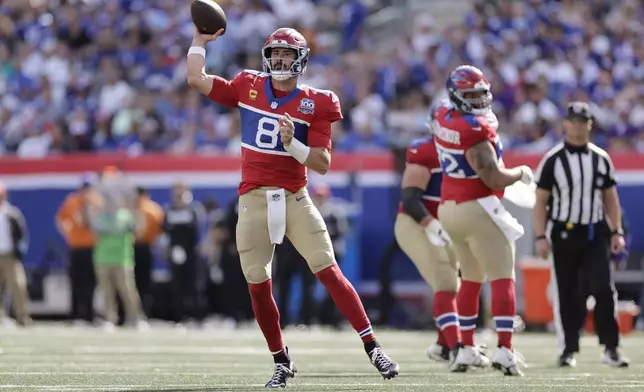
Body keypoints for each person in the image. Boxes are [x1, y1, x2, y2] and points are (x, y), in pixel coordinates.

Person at [186, 26, 399, 387]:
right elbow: (196, 78)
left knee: (328, 270)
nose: (281, 60)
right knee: (257, 283)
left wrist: (292, 144)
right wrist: (199, 40)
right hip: (252, 200)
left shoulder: (317, 101)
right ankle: (281, 360)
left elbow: (321, 163)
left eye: (287, 54)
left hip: (294, 197)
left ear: (300, 59)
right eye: (276, 54)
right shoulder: (247, 85)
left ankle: (372, 345)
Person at [433, 65, 533, 376]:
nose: (477, 100)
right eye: (470, 94)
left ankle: (465, 348)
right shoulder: (475, 129)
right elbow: (492, 175)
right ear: (457, 95)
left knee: (472, 278)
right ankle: (505, 349)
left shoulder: (441, 115)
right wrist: (521, 173)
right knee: (503, 275)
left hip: (448, 207)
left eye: (480, 93)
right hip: (477, 206)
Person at [533, 102, 629, 368]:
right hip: (564, 232)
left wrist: (616, 230)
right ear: (565, 124)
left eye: (582, 121)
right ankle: (569, 347)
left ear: (589, 124)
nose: (577, 126)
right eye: (573, 121)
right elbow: (540, 200)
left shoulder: (600, 158)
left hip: (594, 230)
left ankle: (611, 347)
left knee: (603, 288)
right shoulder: (553, 160)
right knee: (568, 291)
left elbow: (611, 198)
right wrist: (541, 236)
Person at [394, 134, 488, 370]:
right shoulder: (426, 149)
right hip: (417, 222)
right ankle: (458, 347)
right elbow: (410, 198)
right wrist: (431, 224)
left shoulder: (477, 148)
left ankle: (443, 345)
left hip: (450, 223)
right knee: (446, 284)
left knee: (461, 282)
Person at [163, 182, 207, 326]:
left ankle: (197, 316)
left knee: (195, 285)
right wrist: (170, 249)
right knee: (177, 285)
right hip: (175, 253)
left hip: (192, 253)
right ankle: (180, 317)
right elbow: (165, 232)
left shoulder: (194, 209)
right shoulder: (169, 210)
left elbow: (198, 232)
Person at [56, 175, 96, 325]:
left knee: (91, 282)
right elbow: (61, 218)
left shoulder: (97, 201)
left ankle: (88, 314)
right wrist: (68, 232)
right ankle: (74, 314)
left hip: (92, 247)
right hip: (76, 247)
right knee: (75, 280)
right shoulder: (72, 201)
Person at [0, 182, 32, 327]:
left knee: (18, 287)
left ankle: (22, 317)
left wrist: (20, 252)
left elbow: (22, 235)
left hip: (10, 256)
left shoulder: (12, 214)